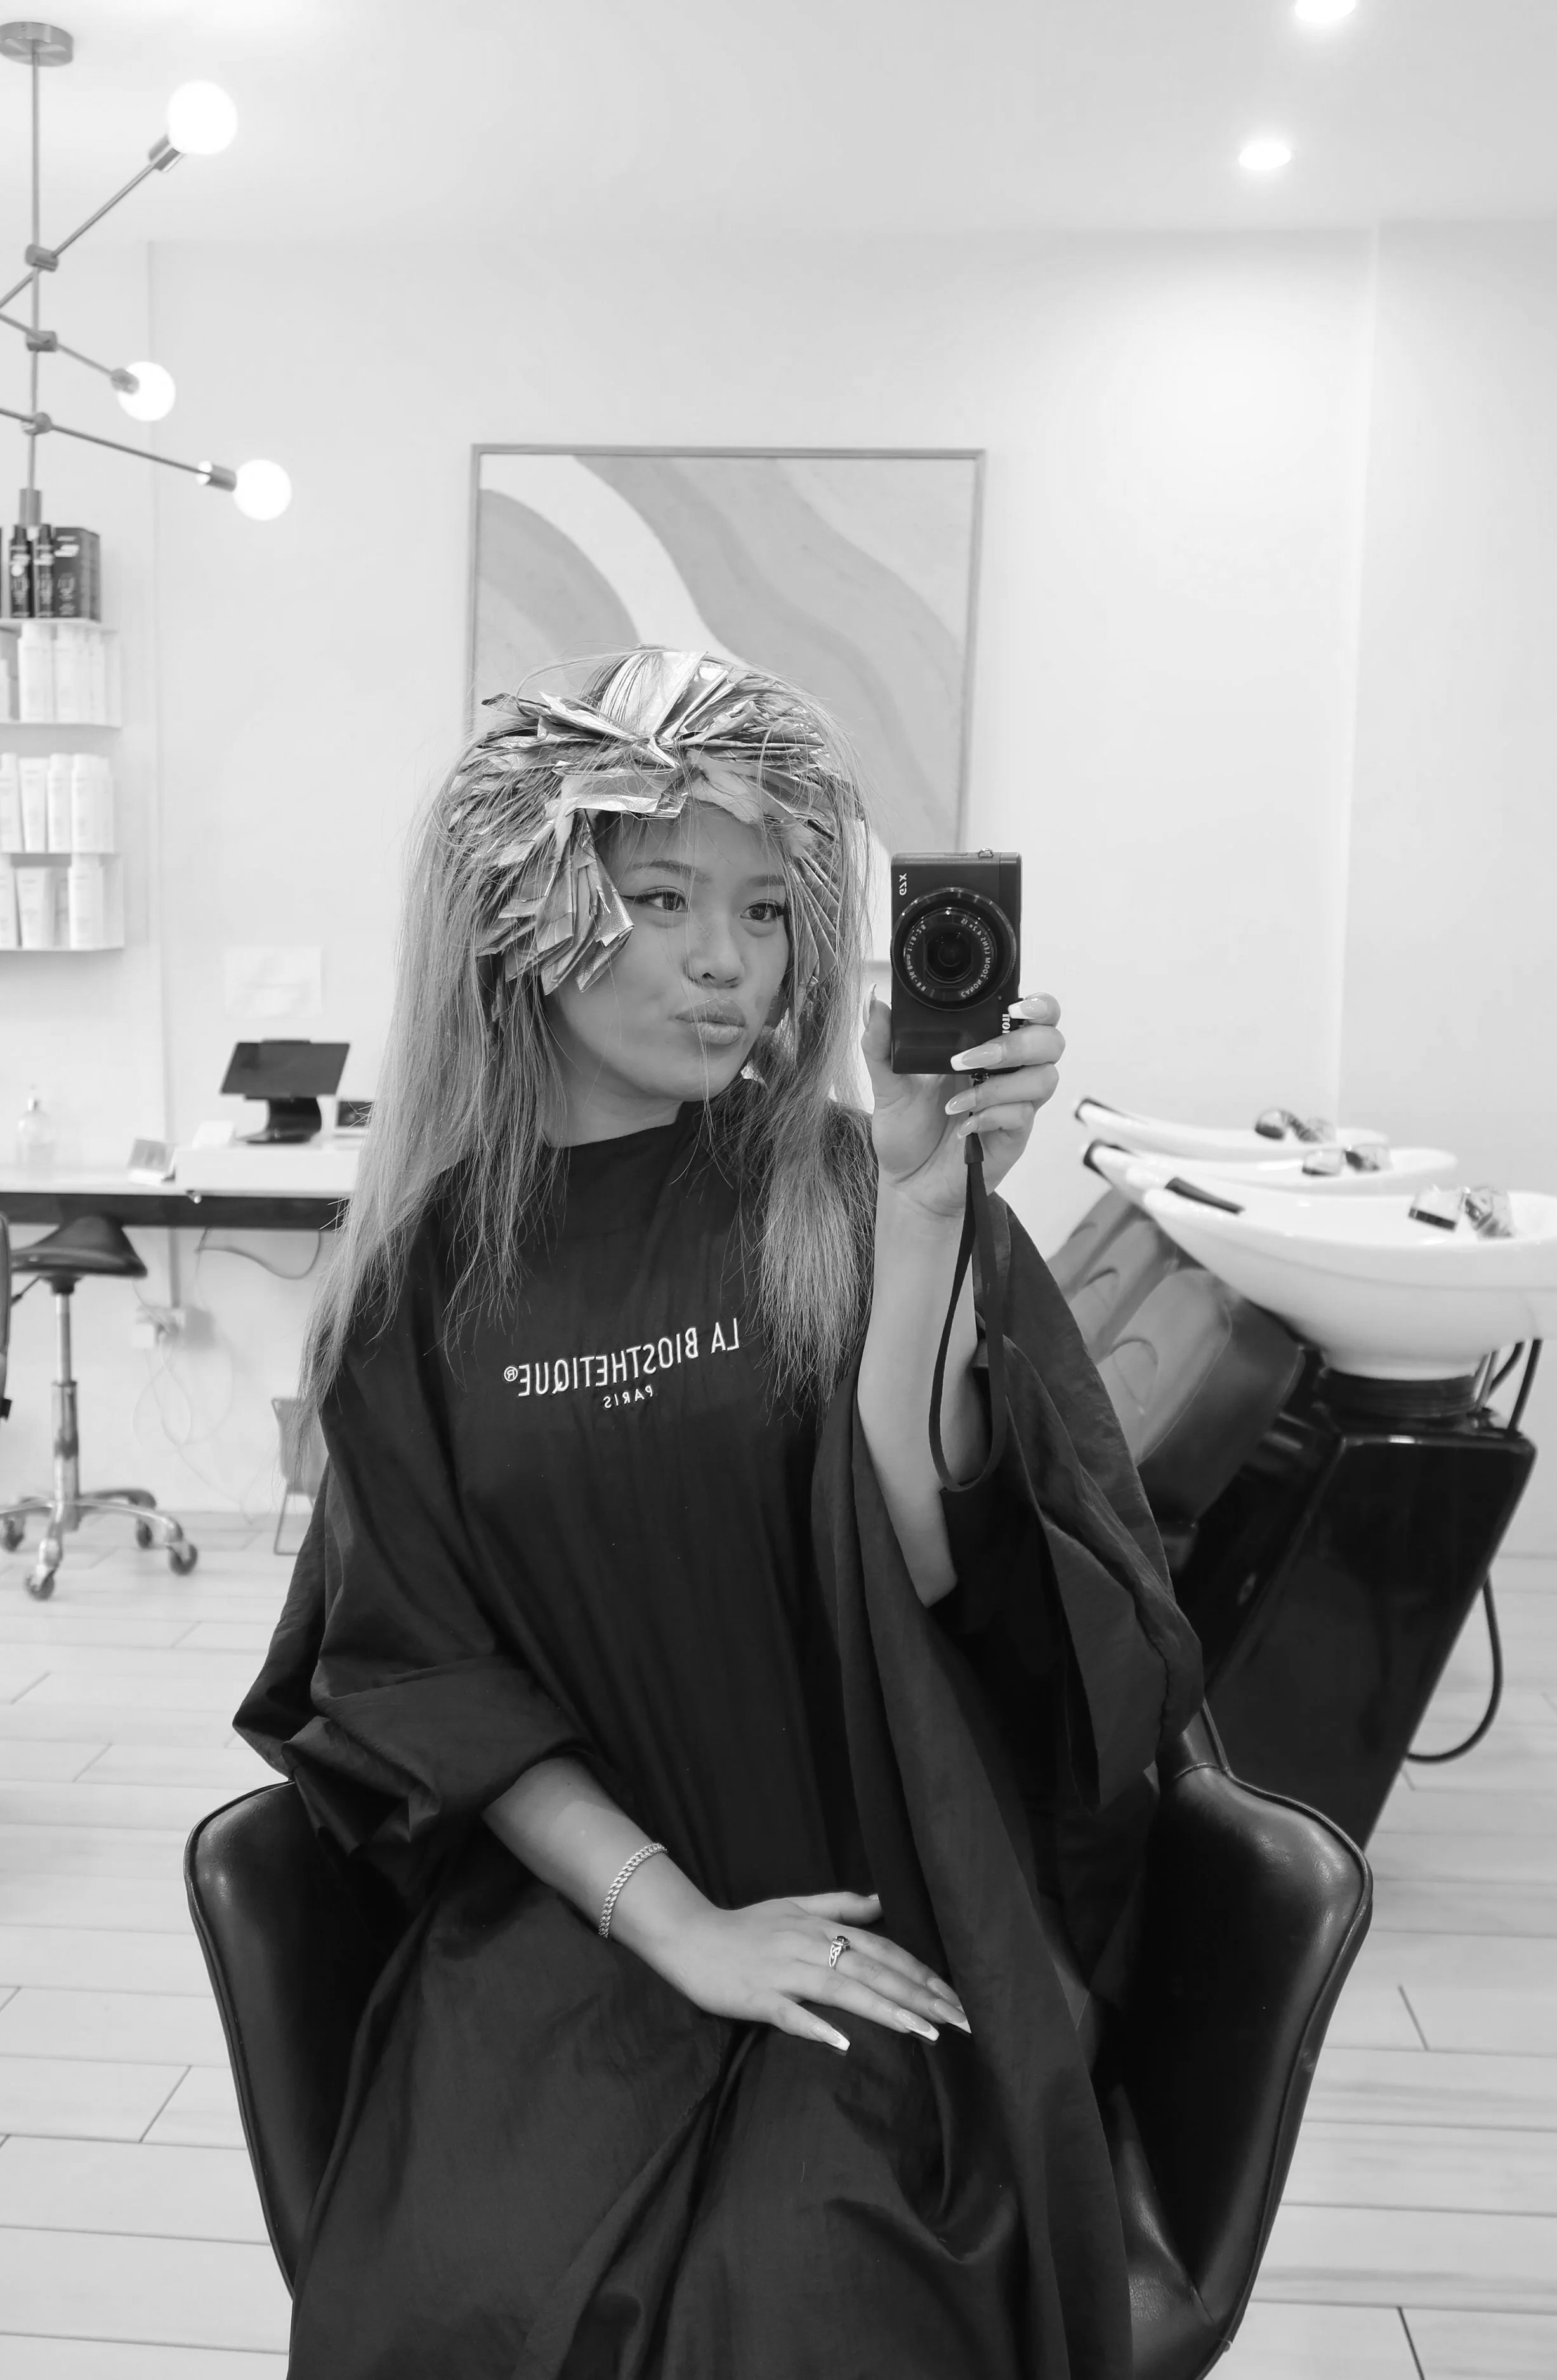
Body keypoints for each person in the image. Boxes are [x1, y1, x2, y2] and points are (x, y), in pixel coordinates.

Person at [239, 648, 1202, 2380]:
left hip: (872, 1905)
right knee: (451, 2303)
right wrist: (675, 1921)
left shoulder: (852, 1192)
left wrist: (922, 1215)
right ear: (523, 905)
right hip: (575, 1924)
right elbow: (423, 1676)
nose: (724, 961)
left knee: (815, 2306)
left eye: (765, 912)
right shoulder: (421, 1288)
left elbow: (924, 1553)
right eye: (663, 894)